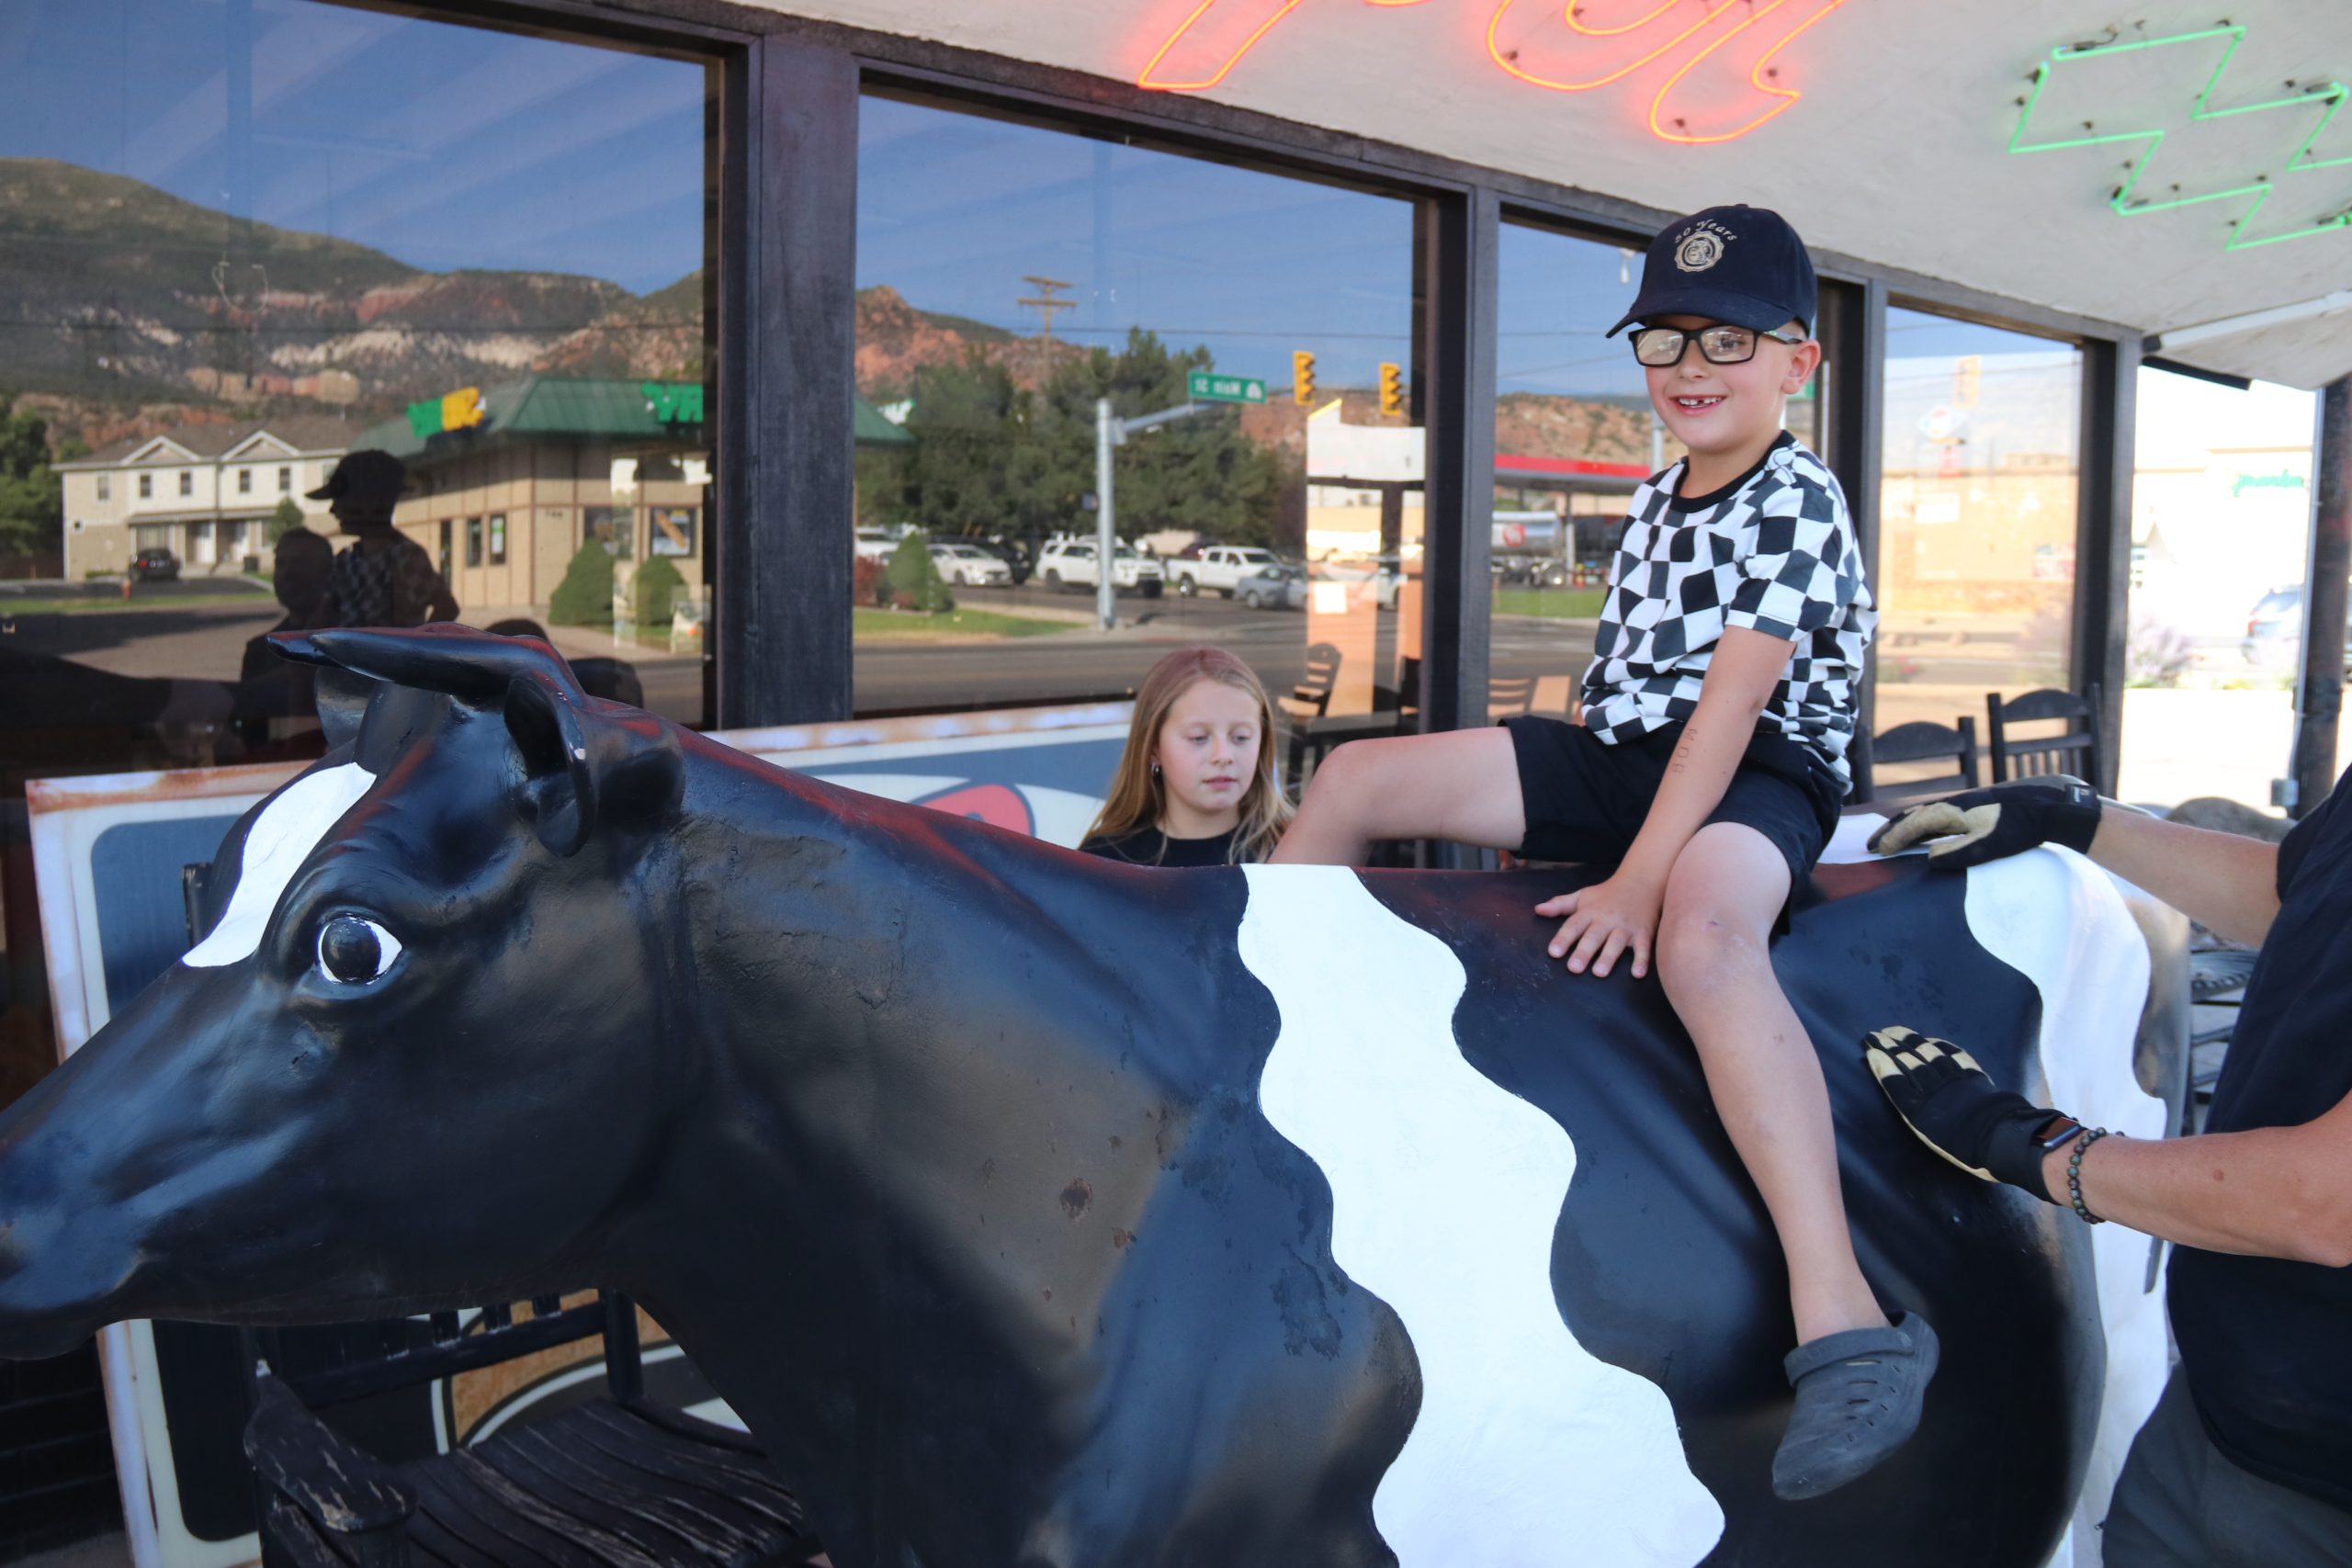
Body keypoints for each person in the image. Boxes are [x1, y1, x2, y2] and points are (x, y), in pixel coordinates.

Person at [1272, 205, 1925, 1500]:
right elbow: (1629, 686)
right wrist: (1568, 796)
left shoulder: (1798, 493)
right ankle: (1246, 1033)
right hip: (1626, 754)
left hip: (1757, 771)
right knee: (1351, 775)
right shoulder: (1656, 489)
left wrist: (1632, 873)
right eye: (1664, 339)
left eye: (1726, 339)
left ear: (1799, 360)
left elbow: (1732, 704)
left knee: (1704, 934)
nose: (1689, 364)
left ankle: (1846, 1315)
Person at [1864, 776, 2352, 1565]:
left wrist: (2027, 1143)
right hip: (2220, 1411)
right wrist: (2081, 819)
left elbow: (2322, 1201)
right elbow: (2303, 897)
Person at [1080, 646, 1293, 866]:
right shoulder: (1104, 864)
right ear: (1154, 748)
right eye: (1198, 738)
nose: (1223, 756)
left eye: (1240, 737)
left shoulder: (1294, 854)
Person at [307, 449, 459, 629]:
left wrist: (415, 647)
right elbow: (323, 615)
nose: (333, 510)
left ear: (370, 500)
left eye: (342, 499)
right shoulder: (346, 560)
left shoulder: (405, 557)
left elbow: (447, 607)